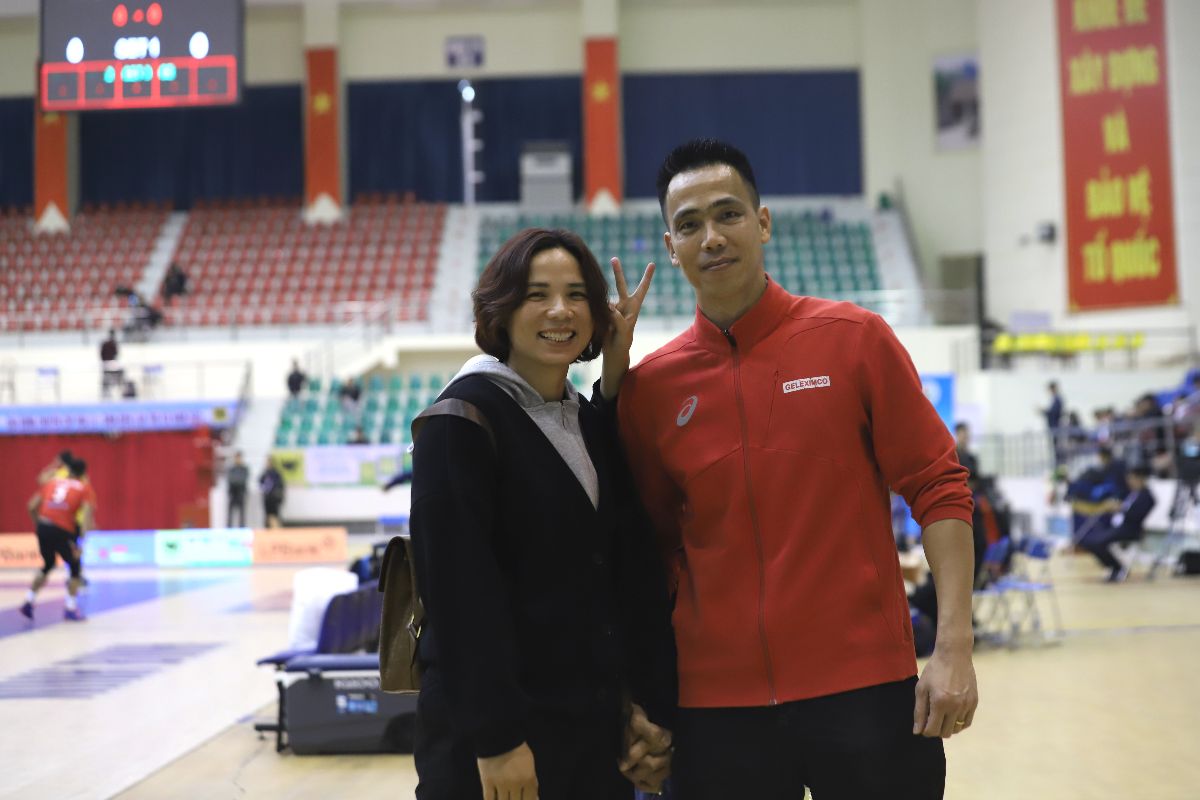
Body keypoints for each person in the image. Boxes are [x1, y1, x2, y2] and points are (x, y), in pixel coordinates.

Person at [617, 139, 978, 798]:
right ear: (671, 247)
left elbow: (939, 487)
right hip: (718, 712)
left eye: (728, 214)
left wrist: (953, 645)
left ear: (763, 223)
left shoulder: (855, 339)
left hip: (866, 691)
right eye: (690, 224)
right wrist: (646, 701)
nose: (712, 237)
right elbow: (651, 556)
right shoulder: (652, 390)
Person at [408, 228, 675, 799]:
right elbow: (459, 602)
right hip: (497, 748)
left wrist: (636, 706)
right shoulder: (459, 422)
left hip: (588, 737)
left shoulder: (584, 421)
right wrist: (497, 741)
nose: (560, 310)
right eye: (537, 294)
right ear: (501, 310)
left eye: (578, 294)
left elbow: (614, 577)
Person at [21, 458, 96, 622]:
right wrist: (81, 543)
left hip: (43, 526)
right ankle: (70, 608)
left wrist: (39, 526)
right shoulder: (85, 488)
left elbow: (31, 506)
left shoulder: (52, 482)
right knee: (75, 566)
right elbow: (87, 519)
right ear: (83, 474)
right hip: (63, 530)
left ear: (68, 471)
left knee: (47, 565)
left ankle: (29, 600)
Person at [1078, 466, 1156, 582]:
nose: (1129, 481)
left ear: (1140, 479)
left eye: (1132, 478)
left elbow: (1136, 515)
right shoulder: (1131, 494)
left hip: (1130, 529)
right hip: (1119, 527)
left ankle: (1118, 568)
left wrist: (1121, 508)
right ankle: (1112, 567)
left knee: (1099, 542)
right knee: (1090, 540)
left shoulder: (1147, 497)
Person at [258, 457, 285, 528]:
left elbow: (280, 485)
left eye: (269, 462)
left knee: (275, 515)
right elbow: (261, 483)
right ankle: (268, 529)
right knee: (267, 515)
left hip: (274, 498)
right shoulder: (265, 473)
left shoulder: (276, 474)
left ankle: (276, 529)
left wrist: (278, 495)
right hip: (267, 498)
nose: (268, 464)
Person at [226, 451, 250, 527]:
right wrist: (237, 481)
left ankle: (242, 527)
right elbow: (231, 479)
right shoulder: (232, 469)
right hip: (233, 493)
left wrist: (236, 481)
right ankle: (229, 528)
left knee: (242, 513)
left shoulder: (244, 469)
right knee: (230, 513)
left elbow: (243, 480)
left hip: (241, 493)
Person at [100, 329, 122, 398]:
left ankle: (116, 386)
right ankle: (112, 387)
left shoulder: (112, 343)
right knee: (107, 376)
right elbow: (115, 353)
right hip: (108, 363)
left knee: (117, 373)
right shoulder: (110, 343)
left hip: (109, 363)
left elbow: (115, 354)